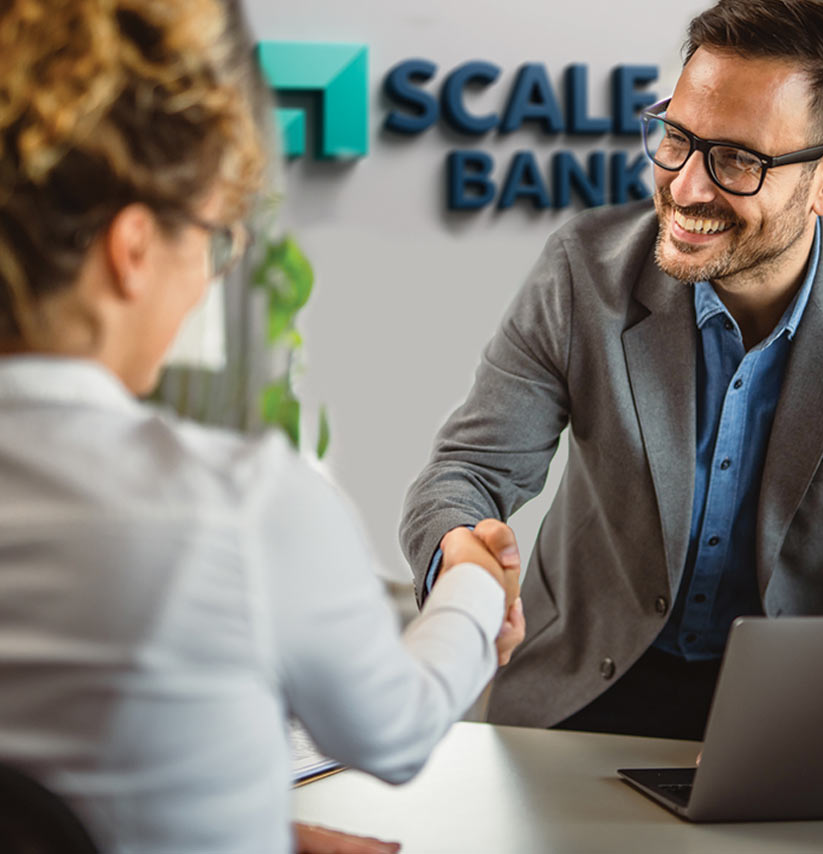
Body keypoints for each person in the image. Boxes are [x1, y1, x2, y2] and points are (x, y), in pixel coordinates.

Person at [0, 1, 521, 852]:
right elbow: (395, 730)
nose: (211, 272)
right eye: (209, 238)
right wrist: (471, 583)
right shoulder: (236, 506)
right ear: (131, 251)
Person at [401, 0, 823, 741]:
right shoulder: (585, 271)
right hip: (580, 693)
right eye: (677, 138)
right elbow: (467, 470)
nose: (686, 188)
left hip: (800, 722)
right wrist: (459, 549)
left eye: (738, 159)